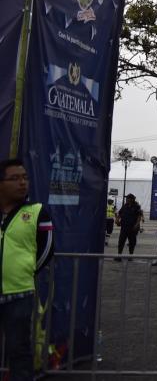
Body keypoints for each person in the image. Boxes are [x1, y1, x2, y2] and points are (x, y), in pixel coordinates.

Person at [0, 158, 54, 381]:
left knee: (19, 351)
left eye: (25, 177)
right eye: (15, 178)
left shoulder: (37, 211)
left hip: (20, 294)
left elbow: (47, 249)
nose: (22, 182)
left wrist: (27, 270)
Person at [115, 194, 143, 259]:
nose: (126, 199)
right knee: (121, 241)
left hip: (132, 228)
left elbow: (139, 216)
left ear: (132, 199)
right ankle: (119, 256)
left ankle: (130, 256)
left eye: (128, 198)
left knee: (132, 242)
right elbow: (120, 214)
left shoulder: (136, 206)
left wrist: (137, 224)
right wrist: (117, 220)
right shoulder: (125, 206)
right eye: (126, 198)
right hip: (124, 227)